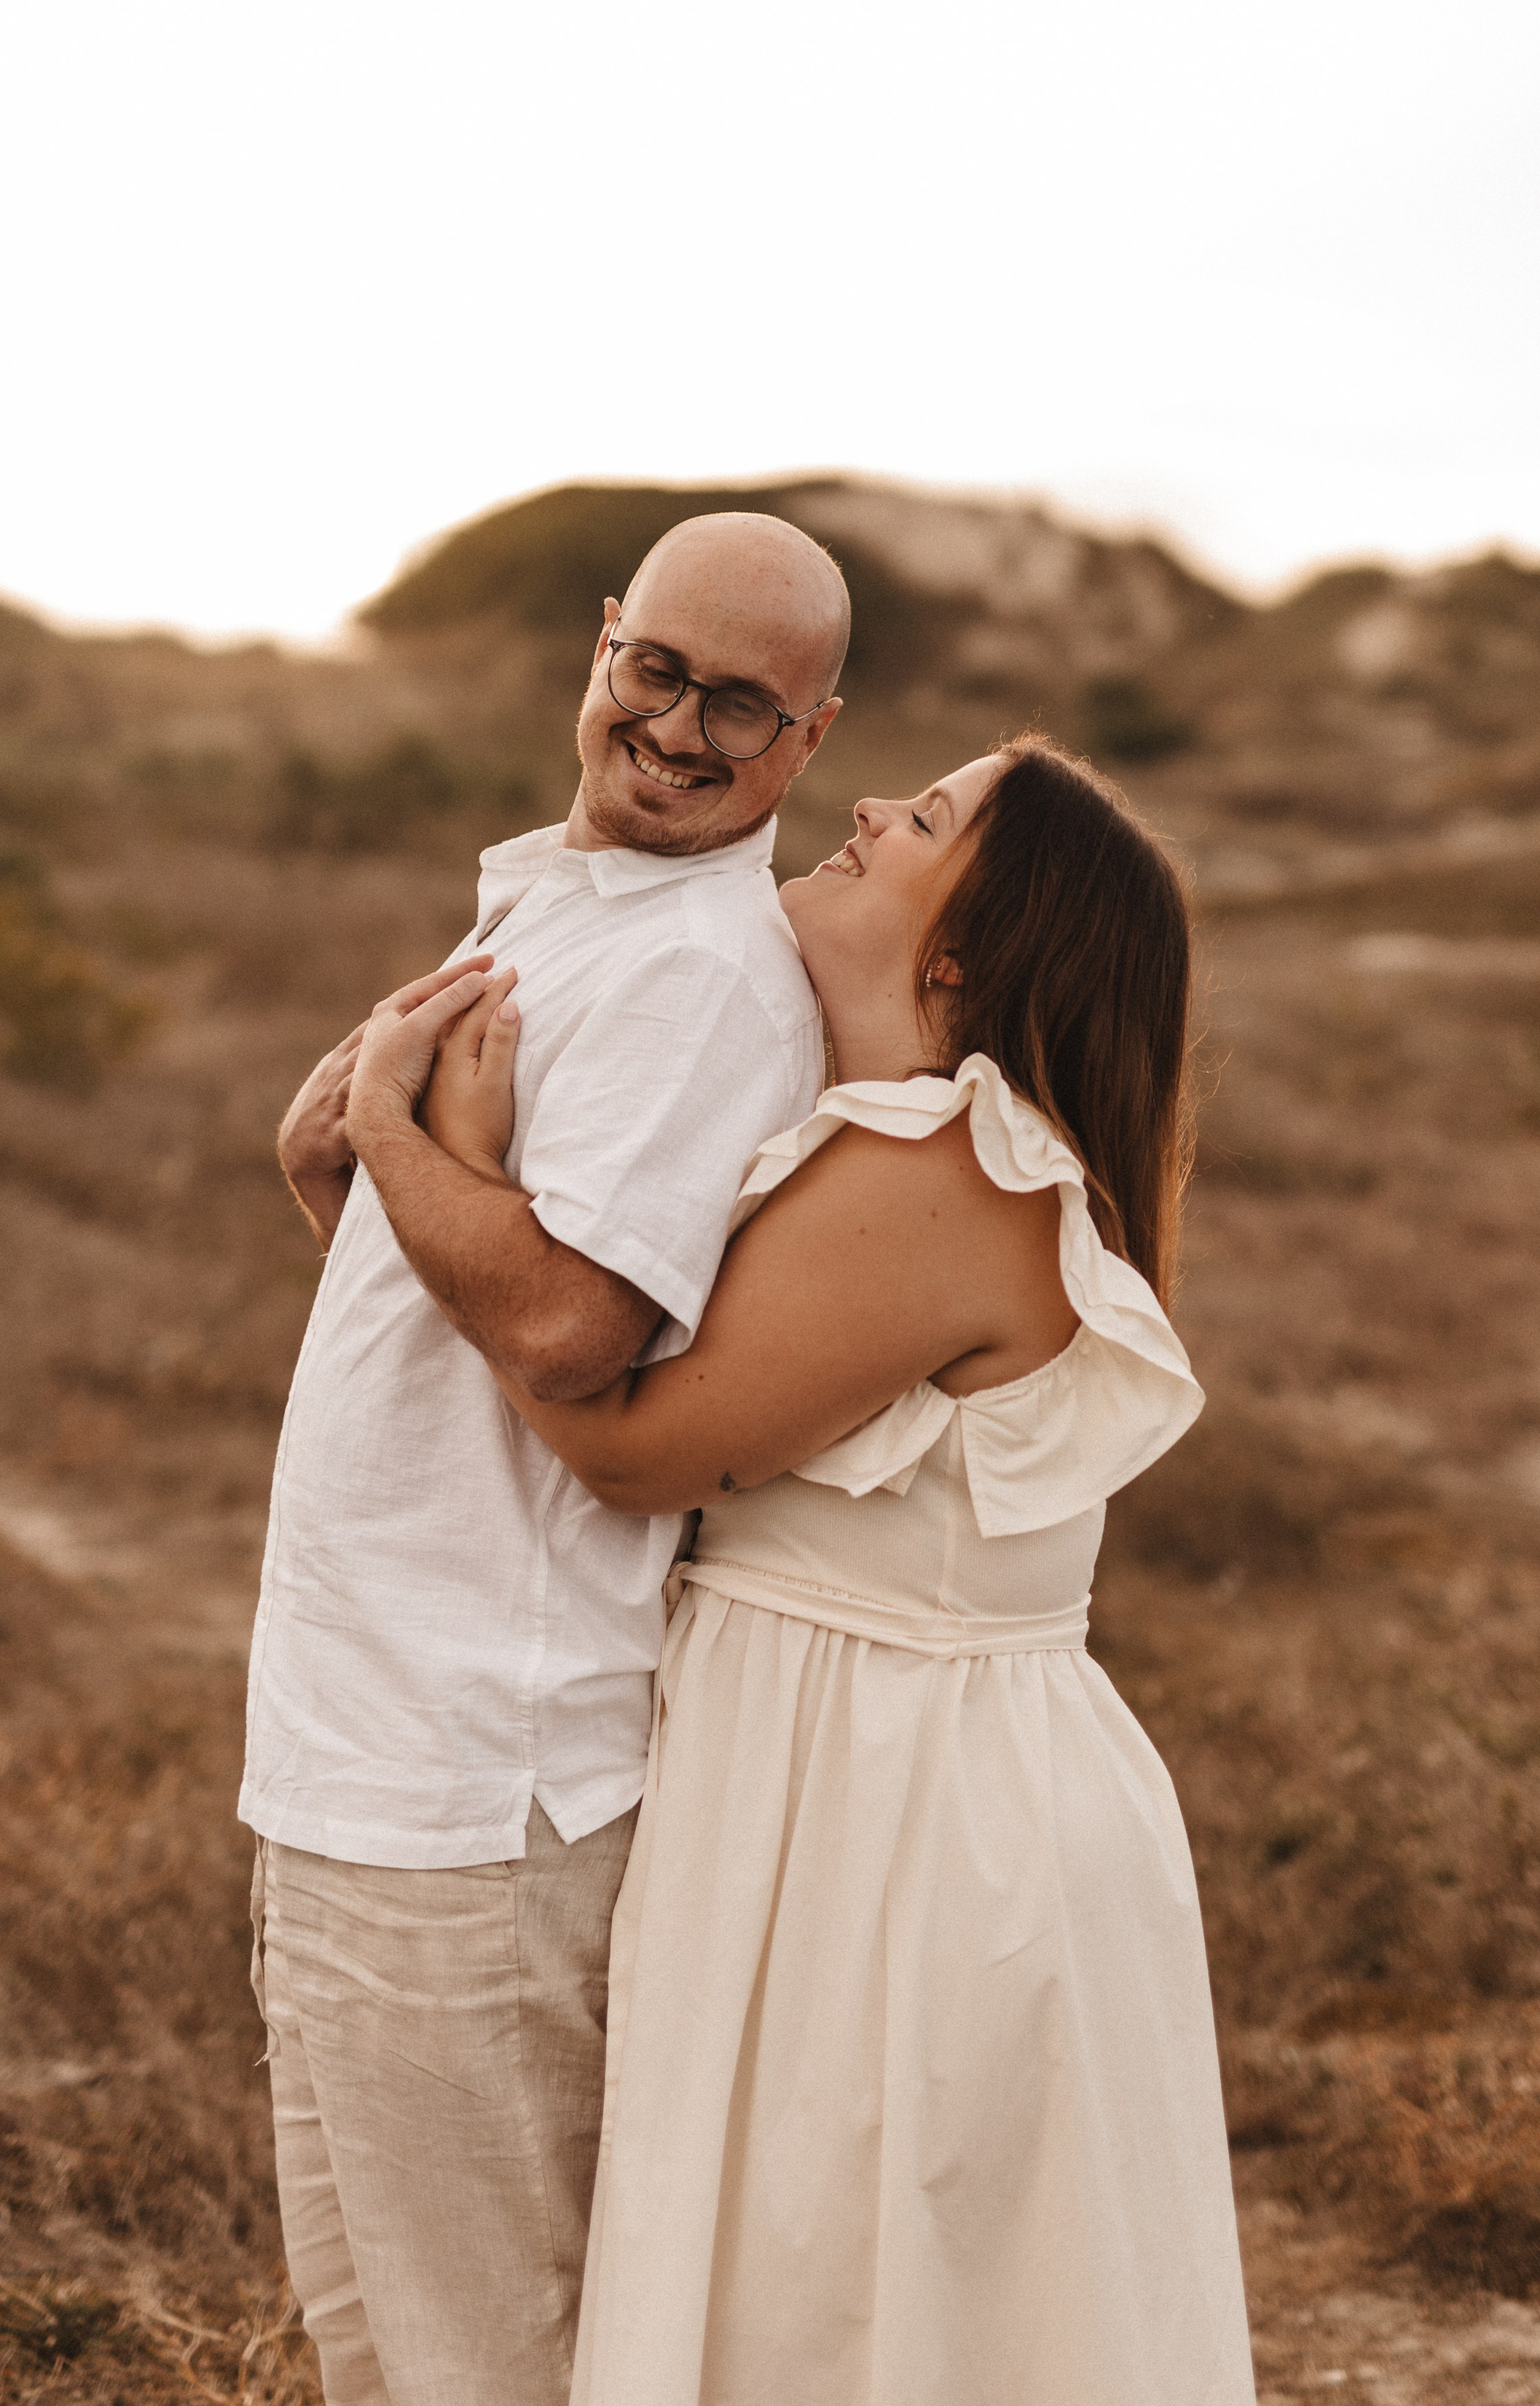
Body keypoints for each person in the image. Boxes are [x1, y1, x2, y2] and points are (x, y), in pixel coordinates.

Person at [403, 734, 1258, 2406]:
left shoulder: (947, 1174)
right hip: (871, 1773)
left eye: (924, 818)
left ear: (957, 950)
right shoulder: (883, 1139)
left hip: (902, 1814)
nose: (866, 809)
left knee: (859, 2304)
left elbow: (632, 1439)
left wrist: (453, 1164)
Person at [239, 512, 849, 2406]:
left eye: (741, 704)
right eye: (657, 668)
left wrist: (402, 1145)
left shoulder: (700, 976)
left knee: (477, 2362)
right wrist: (347, 1160)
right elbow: (444, 1265)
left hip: (468, 1775)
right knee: (380, 2345)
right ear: (603, 643)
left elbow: (579, 1325)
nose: (679, 728)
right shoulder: (560, 905)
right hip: (358, 1742)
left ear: (810, 736)